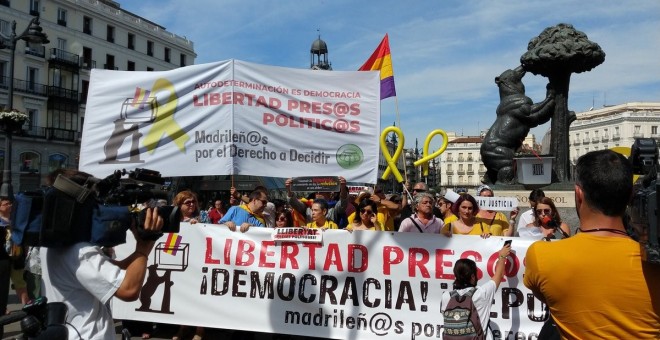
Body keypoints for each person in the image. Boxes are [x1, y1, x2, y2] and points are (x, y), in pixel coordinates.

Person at [524, 150, 660, 338]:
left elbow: (545, 297)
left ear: (578, 194)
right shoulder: (654, 261)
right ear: (631, 196)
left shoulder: (541, 256)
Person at [40, 169, 164, 340]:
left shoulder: (53, 244)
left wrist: (141, 249)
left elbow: (111, 270)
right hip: (87, 335)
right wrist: (144, 246)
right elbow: (128, 290)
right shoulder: (79, 252)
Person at [441, 243, 511, 339]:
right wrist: (502, 256)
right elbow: (499, 274)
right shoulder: (481, 294)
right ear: (473, 277)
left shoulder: (446, 297)